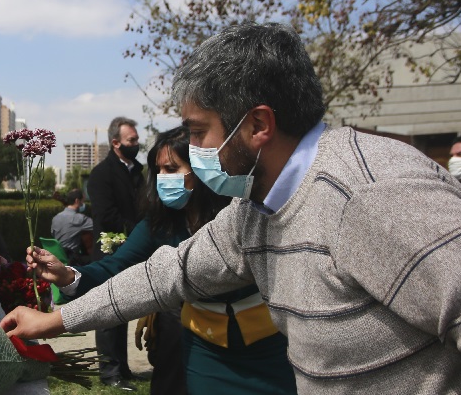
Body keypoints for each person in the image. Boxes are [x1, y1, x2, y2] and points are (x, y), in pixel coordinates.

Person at [3, 23, 461, 393]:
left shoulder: (376, 192)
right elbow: (168, 272)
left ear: (257, 125)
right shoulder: (257, 210)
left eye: (202, 132)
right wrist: (54, 320)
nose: (194, 152)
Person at [30, 127, 294, 395]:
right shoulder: (158, 224)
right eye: (158, 171)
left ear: (201, 169)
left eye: (171, 169)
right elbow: (114, 268)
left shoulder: (240, 212)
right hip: (203, 344)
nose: (163, 179)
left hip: (268, 342)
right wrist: (67, 276)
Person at [85, 116, 145, 390]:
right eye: (131, 140)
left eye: (136, 139)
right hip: (110, 251)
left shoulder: (139, 171)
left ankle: (123, 368)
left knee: (124, 310)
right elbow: (105, 214)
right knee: (108, 313)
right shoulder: (101, 174)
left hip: (133, 250)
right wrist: (138, 231)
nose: (137, 144)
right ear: (116, 142)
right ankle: (109, 373)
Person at [49, 189, 93, 265]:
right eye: (82, 201)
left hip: (58, 258)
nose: (83, 204)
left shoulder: (55, 218)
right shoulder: (79, 219)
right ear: (77, 201)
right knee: (96, 260)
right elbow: (97, 225)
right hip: (72, 260)